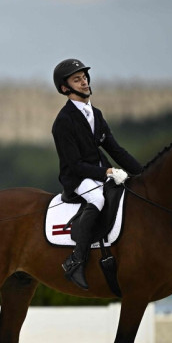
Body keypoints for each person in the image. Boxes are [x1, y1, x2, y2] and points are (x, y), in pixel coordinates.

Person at [51, 58, 143, 290]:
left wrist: (143, 173)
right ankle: (76, 261)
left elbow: (115, 149)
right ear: (65, 88)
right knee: (98, 199)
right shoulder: (63, 121)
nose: (83, 82)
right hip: (78, 178)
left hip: (99, 173)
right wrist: (108, 172)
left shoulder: (96, 114)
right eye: (77, 79)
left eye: (84, 77)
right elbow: (74, 164)